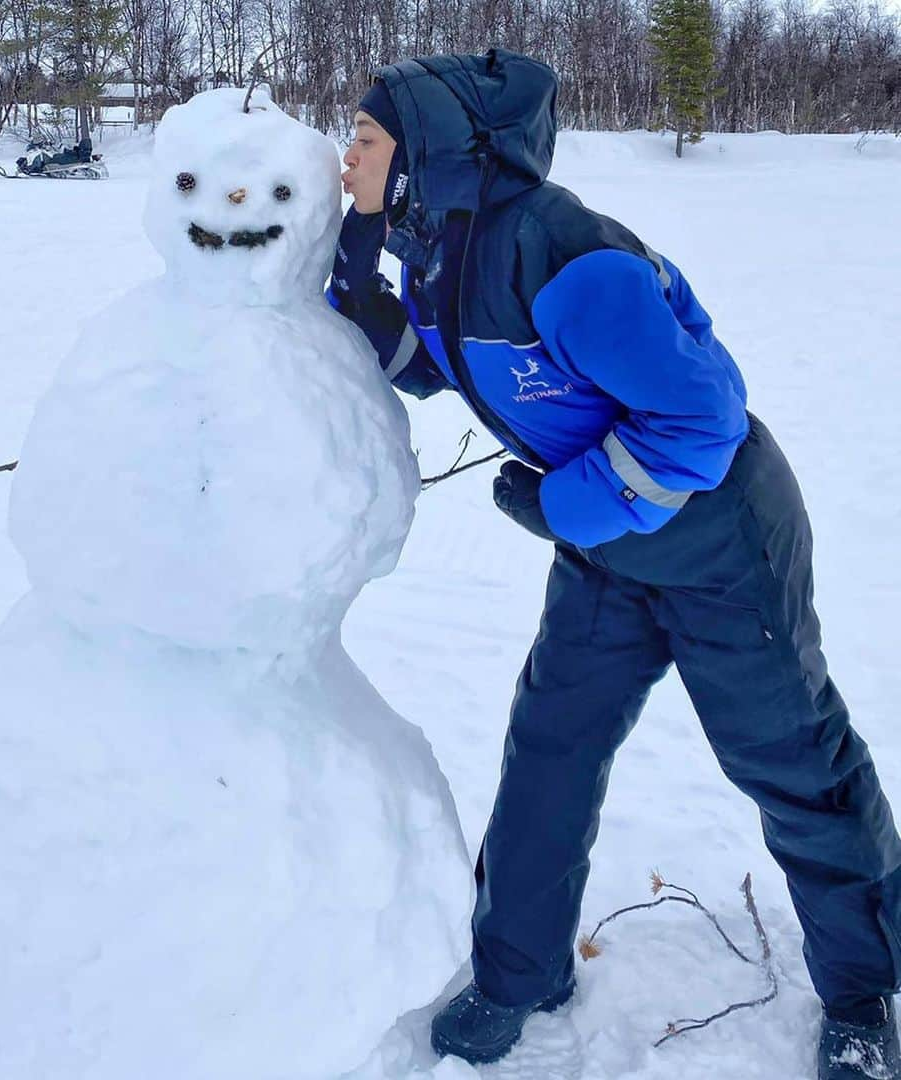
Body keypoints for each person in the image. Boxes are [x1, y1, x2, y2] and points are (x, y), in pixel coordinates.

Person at [329, 48, 901, 1078]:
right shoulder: (437, 245)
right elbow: (449, 362)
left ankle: (863, 993)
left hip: (718, 535)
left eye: (363, 140)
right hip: (606, 547)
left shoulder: (567, 255)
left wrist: (561, 501)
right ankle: (518, 974)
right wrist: (362, 307)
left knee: (791, 763)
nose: (346, 159)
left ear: (427, 152)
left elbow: (700, 418)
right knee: (551, 746)